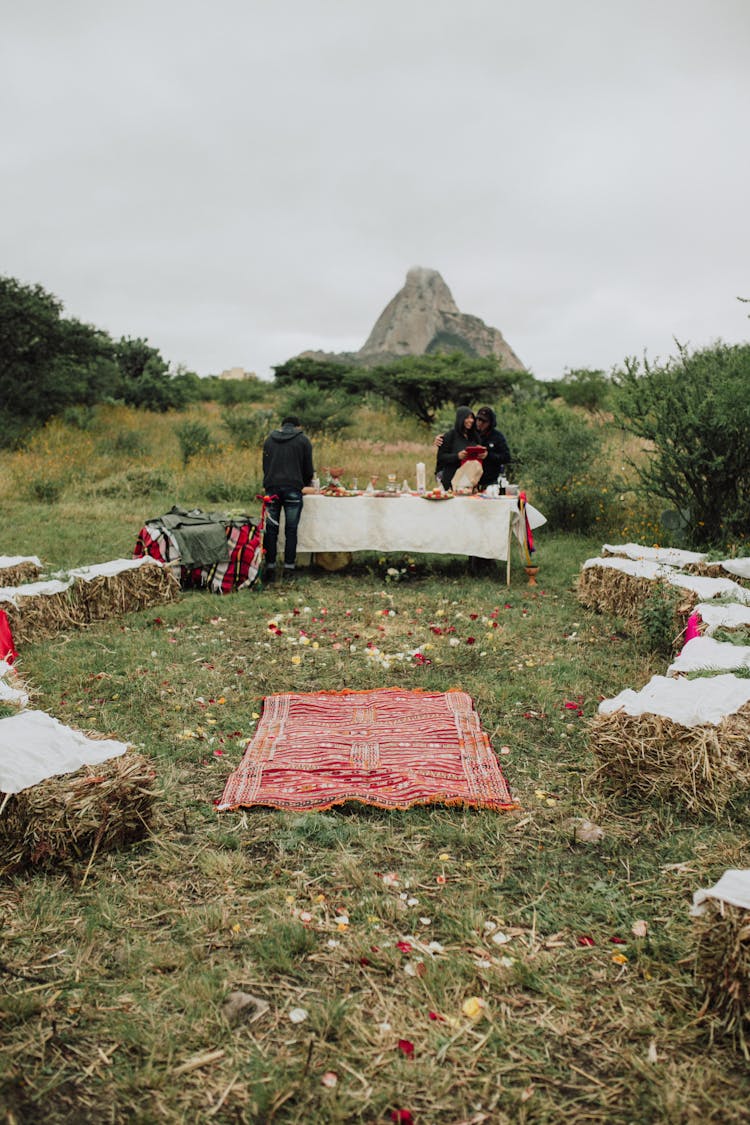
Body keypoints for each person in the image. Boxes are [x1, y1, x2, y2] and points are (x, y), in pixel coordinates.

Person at [262, 415, 315, 579]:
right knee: (291, 530)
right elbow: (308, 468)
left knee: (271, 529)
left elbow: (265, 465)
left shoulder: (269, 440)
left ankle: (270, 567)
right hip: (293, 488)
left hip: (272, 489)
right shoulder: (303, 440)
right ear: (298, 426)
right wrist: (304, 484)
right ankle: (289, 568)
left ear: (282, 426)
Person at [434, 406, 485, 492]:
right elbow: (441, 457)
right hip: (451, 478)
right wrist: (457, 456)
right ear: (461, 419)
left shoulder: (475, 436)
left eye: (472, 418)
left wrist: (482, 454)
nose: (471, 421)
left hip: (469, 480)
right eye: (467, 418)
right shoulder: (450, 436)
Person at [474, 406, 511, 490]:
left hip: (490, 482)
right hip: (471, 481)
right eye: (478, 419)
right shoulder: (471, 434)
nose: (480, 423)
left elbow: (506, 457)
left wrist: (488, 455)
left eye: (484, 421)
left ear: (490, 423)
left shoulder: (497, 437)